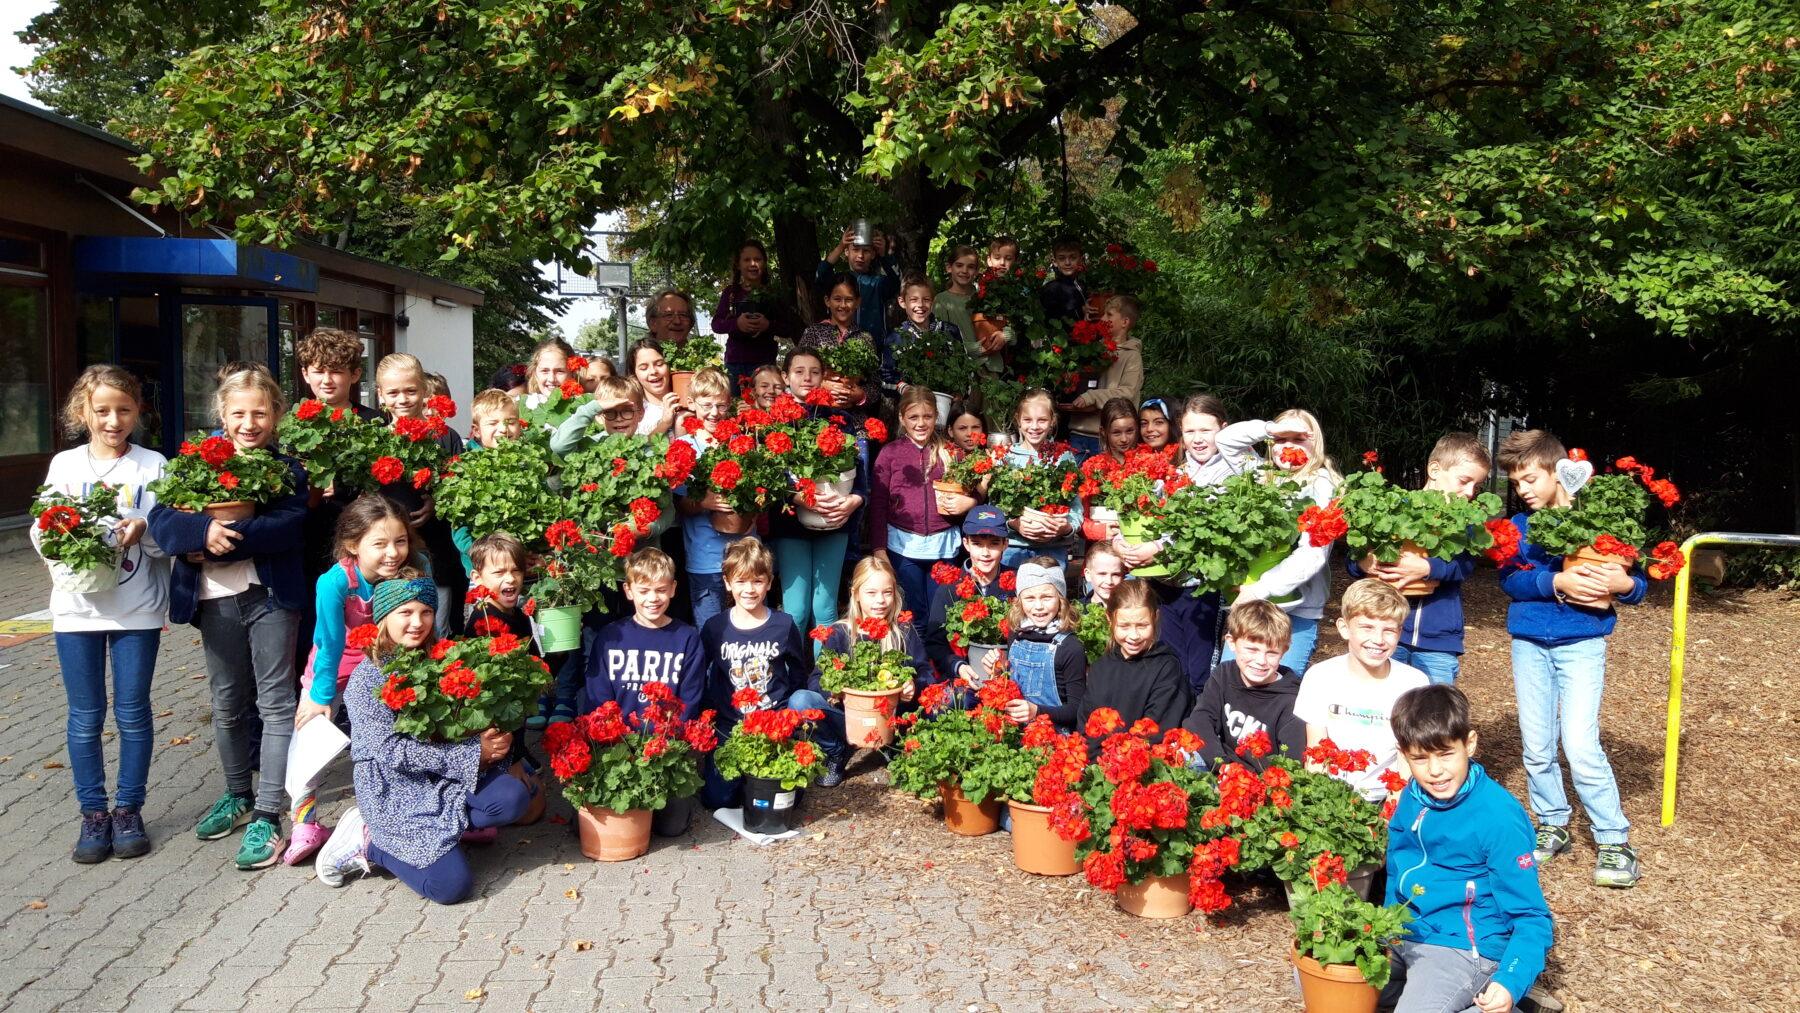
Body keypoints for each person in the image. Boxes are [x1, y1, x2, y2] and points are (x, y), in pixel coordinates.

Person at [147, 368, 309, 870]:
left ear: (276, 414)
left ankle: (267, 812)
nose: (249, 422)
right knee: (227, 702)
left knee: (276, 701)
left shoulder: (288, 470)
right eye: (238, 413)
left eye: (260, 412)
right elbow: (161, 519)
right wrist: (202, 530)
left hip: (271, 597)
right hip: (215, 600)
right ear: (222, 415)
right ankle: (237, 796)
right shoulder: (194, 464)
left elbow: (291, 525)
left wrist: (225, 538)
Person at [313, 574, 536, 902]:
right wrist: (475, 753)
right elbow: (393, 752)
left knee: (513, 797)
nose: (417, 623)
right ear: (383, 618)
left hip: (443, 775)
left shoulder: (442, 658)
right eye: (405, 613)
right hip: (395, 787)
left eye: (426, 612)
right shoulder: (367, 679)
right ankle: (369, 842)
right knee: (451, 888)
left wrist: (487, 731)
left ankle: (443, 835)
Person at [1496, 430, 1646, 888]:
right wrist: (1554, 583)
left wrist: (1625, 587)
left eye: (1529, 479)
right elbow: (1508, 580)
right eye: (1516, 482)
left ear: (1558, 473)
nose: (1522, 490)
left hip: (1582, 644)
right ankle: (1552, 822)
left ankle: (1614, 840)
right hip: (1529, 644)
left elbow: (1637, 585)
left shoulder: (1601, 523)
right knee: (1537, 745)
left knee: (1580, 744)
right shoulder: (1519, 529)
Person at [36, 365, 169, 863]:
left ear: (138, 412)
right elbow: (41, 529)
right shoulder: (65, 466)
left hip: (136, 607)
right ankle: (93, 813)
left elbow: (167, 537)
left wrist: (144, 530)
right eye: (102, 410)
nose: (113, 420)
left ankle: (129, 808)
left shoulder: (153, 466)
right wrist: (64, 552)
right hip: (77, 610)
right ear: (83, 412)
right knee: (85, 715)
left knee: (133, 712)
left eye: (124, 410)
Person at [1383, 684, 1554, 1013]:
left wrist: (1512, 978)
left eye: (1446, 754)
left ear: (1470, 744)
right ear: (1404, 754)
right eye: (1420, 758)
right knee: (1318, 976)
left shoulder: (1498, 817)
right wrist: (1387, 924)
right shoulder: (1411, 797)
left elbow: (1532, 916)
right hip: (1404, 932)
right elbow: (1397, 870)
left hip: (1461, 946)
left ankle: (1500, 994)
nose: (1435, 770)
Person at [285, 496, 421, 865]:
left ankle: (395, 811)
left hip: (391, 664)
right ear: (352, 545)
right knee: (310, 735)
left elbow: (423, 622)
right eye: (380, 544)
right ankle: (305, 823)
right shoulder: (335, 582)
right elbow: (328, 641)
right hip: (335, 664)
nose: (393, 553)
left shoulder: (416, 568)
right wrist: (320, 695)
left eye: (400, 541)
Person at [1347, 433, 1492, 685]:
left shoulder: (1466, 520)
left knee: (1433, 715)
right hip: (1386, 629)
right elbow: (1352, 556)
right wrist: (1364, 563)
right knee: (1382, 706)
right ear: (1435, 470)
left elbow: (1465, 564)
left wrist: (1427, 567)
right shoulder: (1394, 506)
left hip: (1438, 636)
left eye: (1476, 487)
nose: (1470, 492)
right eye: (1464, 481)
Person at [586, 548, 706, 835]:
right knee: (600, 823)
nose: (653, 598)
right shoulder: (611, 636)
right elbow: (597, 693)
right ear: (628, 591)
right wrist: (616, 739)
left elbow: (690, 698)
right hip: (618, 746)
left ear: (673, 589)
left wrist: (664, 740)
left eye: (660, 590)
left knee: (672, 827)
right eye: (644, 590)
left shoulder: (686, 637)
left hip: (664, 747)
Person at [787, 557, 928, 786]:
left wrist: (914, 684)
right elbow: (816, 680)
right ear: (856, 594)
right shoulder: (840, 633)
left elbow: (924, 670)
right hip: (848, 719)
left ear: (895, 594)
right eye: (871, 593)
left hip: (891, 718)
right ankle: (836, 750)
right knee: (800, 700)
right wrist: (836, 690)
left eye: (887, 592)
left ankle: (893, 745)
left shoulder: (902, 630)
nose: (880, 601)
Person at [293, 327, 383, 673]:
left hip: (360, 542)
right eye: (318, 370)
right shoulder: (292, 425)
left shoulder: (373, 423)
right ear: (305, 374)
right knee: (313, 631)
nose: (327, 380)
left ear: (355, 374)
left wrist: (343, 488)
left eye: (336, 371)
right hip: (310, 541)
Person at [1295, 579, 1430, 801]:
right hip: (1331, 795)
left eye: (1388, 630)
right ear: (1344, 628)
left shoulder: (1414, 684)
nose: (1377, 640)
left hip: (1386, 797)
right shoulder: (1320, 677)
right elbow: (1316, 754)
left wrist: (1389, 817)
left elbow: (1407, 760)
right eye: (1367, 627)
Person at [699, 538, 809, 809]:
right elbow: (700, 672)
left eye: (757, 581)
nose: (749, 590)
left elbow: (798, 673)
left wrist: (790, 720)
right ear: (727, 583)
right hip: (731, 726)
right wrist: (710, 712)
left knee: (788, 798)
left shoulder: (783, 625)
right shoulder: (716, 627)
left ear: (769, 583)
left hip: (774, 724)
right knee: (718, 800)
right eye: (741, 581)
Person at [769, 347, 866, 635]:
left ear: (823, 376)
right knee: (795, 610)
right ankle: (789, 677)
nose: (807, 378)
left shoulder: (842, 419)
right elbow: (770, 475)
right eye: (799, 371)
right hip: (791, 524)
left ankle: (823, 679)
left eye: (814, 372)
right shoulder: (774, 418)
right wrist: (798, 497)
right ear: (786, 377)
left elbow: (859, 471)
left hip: (834, 518)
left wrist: (854, 500)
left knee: (825, 609)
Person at [376, 352, 466, 636]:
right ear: (380, 395)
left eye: (410, 391)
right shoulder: (372, 437)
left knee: (437, 627)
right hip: (387, 554)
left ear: (424, 391)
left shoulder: (445, 436)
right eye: (393, 392)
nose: (402, 399)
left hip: (437, 550)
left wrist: (436, 502)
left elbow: (461, 489)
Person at [871, 387, 973, 617]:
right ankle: (916, 654)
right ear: (901, 418)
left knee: (942, 614)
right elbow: (877, 504)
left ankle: (940, 654)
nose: (920, 423)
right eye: (913, 417)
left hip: (943, 545)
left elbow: (975, 490)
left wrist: (971, 502)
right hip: (903, 547)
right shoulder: (890, 453)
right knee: (911, 613)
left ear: (936, 417)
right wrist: (879, 548)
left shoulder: (952, 452)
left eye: (927, 416)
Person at [1180, 600, 1307, 772]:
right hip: (1224, 765)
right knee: (1182, 752)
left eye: (1271, 653)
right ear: (1231, 643)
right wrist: (1223, 766)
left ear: (1284, 650)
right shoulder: (1224, 674)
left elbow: (1292, 763)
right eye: (1252, 650)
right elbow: (1199, 721)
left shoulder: (1292, 700)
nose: (1261, 661)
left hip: (1262, 780)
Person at [1073, 579, 1190, 754]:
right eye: (1124, 626)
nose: (1133, 636)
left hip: (1141, 765)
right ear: (1110, 620)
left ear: (1155, 618)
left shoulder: (1167, 668)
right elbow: (1087, 724)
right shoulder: (1101, 667)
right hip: (1099, 764)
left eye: (1142, 626)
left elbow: (1156, 732)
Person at [675, 369, 748, 630]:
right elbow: (680, 505)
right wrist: (704, 503)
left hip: (744, 555)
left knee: (745, 631)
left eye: (721, 405)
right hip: (705, 559)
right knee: (710, 632)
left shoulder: (742, 443)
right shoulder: (685, 446)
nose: (714, 412)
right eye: (707, 405)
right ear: (692, 403)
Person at [923, 505, 1018, 684]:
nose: (985, 553)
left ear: (1006, 544)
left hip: (1008, 673)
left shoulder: (1016, 581)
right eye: (977, 544)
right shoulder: (949, 587)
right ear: (965, 544)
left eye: (994, 544)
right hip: (963, 675)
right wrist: (957, 666)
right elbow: (934, 642)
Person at [999, 557, 1088, 731]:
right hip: (1016, 730)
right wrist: (1000, 669)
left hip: (1055, 735)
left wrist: (1037, 711)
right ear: (1019, 600)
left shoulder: (1070, 647)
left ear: (1060, 598)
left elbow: (1077, 709)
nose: (1038, 606)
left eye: (1047, 597)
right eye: (1030, 598)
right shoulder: (1016, 635)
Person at [1002, 389, 1082, 568]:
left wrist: (1067, 528)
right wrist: (1015, 524)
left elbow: (1076, 505)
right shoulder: (1007, 457)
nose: (1034, 426)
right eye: (1028, 420)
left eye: (1042, 420)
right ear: (1018, 421)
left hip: (1053, 548)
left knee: (1052, 595)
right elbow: (995, 505)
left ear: (1052, 421)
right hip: (1014, 547)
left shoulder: (1064, 457)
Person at [712, 240, 797, 395]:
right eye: (747, 260)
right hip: (734, 365)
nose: (753, 264)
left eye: (757, 259)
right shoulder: (731, 293)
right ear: (738, 264)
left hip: (764, 364)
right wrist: (737, 324)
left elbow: (788, 328)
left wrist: (767, 325)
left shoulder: (773, 294)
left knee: (764, 411)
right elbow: (716, 324)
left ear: (764, 263)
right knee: (735, 410)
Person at [1066, 296, 1145, 456]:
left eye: (1109, 315)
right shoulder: (1092, 349)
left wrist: (1092, 396)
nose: (1102, 319)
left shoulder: (1132, 356)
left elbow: (1127, 393)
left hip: (1108, 437)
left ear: (1125, 322)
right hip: (1078, 431)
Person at [798, 275, 880, 416]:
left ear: (857, 302)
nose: (842, 305)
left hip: (855, 419)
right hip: (819, 416)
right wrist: (822, 385)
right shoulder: (814, 332)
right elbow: (798, 374)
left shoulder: (865, 338)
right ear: (827, 301)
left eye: (849, 300)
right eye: (837, 299)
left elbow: (875, 384)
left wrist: (860, 395)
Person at [883, 273, 965, 395]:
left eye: (926, 299)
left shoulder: (949, 331)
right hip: (911, 404)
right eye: (913, 300)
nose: (920, 305)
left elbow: (964, 368)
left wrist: (958, 394)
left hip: (947, 403)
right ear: (902, 302)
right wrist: (903, 387)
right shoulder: (896, 338)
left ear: (933, 301)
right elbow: (886, 378)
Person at [815, 226, 898, 341]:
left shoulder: (878, 283)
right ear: (846, 251)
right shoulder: (838, 281)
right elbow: (821, 275)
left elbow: (897, 282)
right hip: (840, 346)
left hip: (874, 349)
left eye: (866, 251)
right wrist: (840, 246)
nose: (860, 255)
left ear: (873, 254)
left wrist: (884, 255)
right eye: (855, 249)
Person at [935, 244, 1003, 367]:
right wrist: (974, 349)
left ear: (977, 271)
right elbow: (941, 340)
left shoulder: (987, 297)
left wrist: (1004, 336)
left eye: (970, 267)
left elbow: (1007, 325)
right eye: (959, 265)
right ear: (949, 267)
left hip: (992, 367)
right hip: (961, 370)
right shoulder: (941, 301)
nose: (965, 271)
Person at [627, 339, 684, 437]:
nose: (653, 371)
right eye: (644, 368)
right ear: (634, 373)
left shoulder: (687, 401)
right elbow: (638, 449)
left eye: (659, 364)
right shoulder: (632, 409)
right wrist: (665, 423)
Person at [1039, 236, 1090, 322]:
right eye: (1062, 258)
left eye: (1073, 257)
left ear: (1081, 260)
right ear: (1054, 261)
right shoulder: (1051, 289)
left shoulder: (1081, 285)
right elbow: (1052, 321)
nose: (1067, 263)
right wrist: (1081, 311)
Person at [522, 336, 575, 408]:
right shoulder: (522, 408)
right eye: (544, 371)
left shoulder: (583, 409)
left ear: (573, 373)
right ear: (534, 373)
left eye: (560, 371)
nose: (551, 379)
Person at [1081, 539, 1127, 606]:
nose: (1109, 581)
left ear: (1123, 575)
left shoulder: (1136, 611)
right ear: (1088, 575)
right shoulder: (1075, 613)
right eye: (1102, 574)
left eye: (1116, 574)